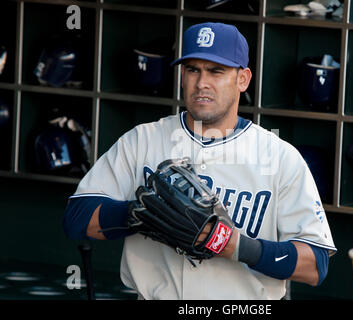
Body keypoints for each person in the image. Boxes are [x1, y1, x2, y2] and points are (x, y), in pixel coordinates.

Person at [63, 22, 337, 300]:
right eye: (193, 69)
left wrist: (231, 245)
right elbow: (77, 218)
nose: (202, 82)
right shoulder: (142, 140)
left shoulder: (280, 157)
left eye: (216, 71)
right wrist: (139, 214)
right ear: (182, 75)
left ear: (243, 79)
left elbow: (315, 264)